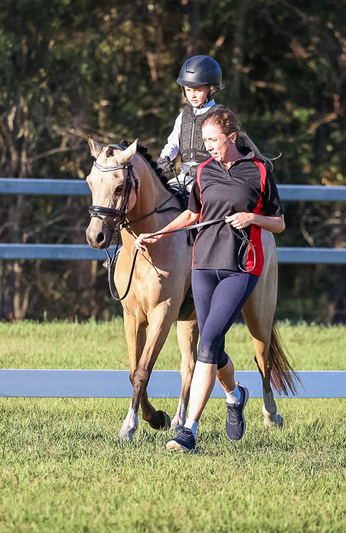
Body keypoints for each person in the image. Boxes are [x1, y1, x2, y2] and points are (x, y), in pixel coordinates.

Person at [135, 105, 286, 453]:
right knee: (213, 348)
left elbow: (278, 222)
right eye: (204, 140)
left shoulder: (259, 171)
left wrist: (252, 217)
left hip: (241, 267)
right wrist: (158, 235)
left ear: (231, 137)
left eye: (213, 140)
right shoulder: (204, 172)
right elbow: (191, 213)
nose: (208, 146)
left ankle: (188, 430)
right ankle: (235, 397)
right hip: (203, 265)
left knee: (207, 342)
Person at [156, 55, 223, 195]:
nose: (192, 95)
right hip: (184, 177)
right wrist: (165, 158)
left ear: (211, 89)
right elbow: (173, 143)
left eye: (198, 90)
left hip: (211, 178)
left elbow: (223, 152)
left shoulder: (219, 116)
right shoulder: (183, 115)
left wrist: (203, 168)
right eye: (188, 90)